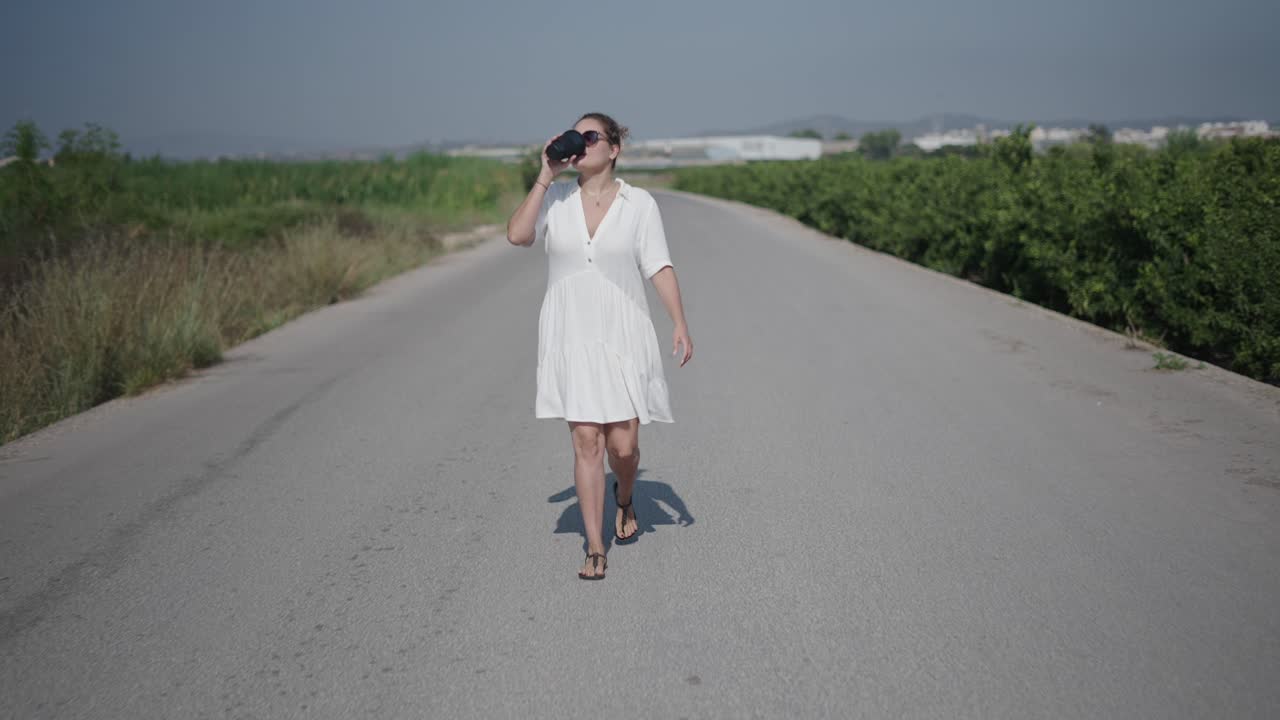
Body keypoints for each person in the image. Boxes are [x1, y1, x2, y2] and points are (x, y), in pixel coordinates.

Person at [506, 112, 693, 580]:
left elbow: (658, 265)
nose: (583, 143)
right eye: (577, 136)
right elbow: (518, 235)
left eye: (593, 137)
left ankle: (625, 498)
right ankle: (595, 547)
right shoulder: (558, 200)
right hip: (572, 332)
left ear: (614, 149)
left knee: (623, 446)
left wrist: (679, 322)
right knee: (586, 439)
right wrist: (545, 175)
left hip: (623, 332)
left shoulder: (639, 204)